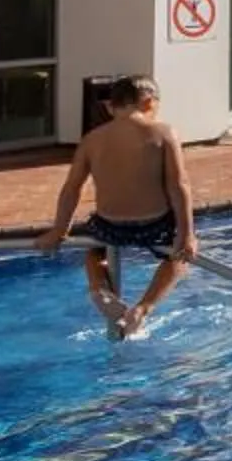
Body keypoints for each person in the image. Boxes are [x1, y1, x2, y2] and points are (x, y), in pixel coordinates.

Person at [35, 76, 196, 338]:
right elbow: (180, 185)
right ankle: (143, 309)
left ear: (111, 107)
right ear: (148, 102)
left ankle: (99, 289)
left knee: (93, 250)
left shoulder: (92, 139)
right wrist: (187, 234)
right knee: (177, 261)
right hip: (153, 224)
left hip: (109, 225)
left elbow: (71, 189)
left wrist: (58, 231)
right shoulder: (164, 133)